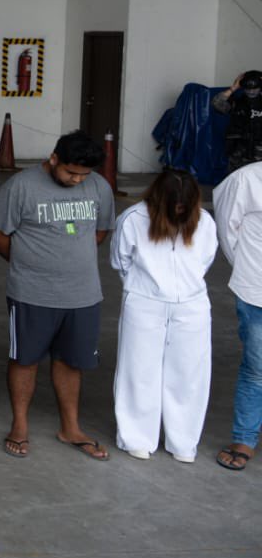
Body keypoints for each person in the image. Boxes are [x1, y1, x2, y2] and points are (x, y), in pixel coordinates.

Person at [0, 131, 116, 461]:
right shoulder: (21, 186)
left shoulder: (98, 186)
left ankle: (70, 426)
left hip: (83, 294)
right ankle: (20, 425)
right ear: (54, 158)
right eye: (71, 172)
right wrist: (26, 263)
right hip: (31, 293)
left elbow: (100, 230)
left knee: (72, 362)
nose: (77, 180)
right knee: (25, 359)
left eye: (83, 175)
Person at [110, 168, 217, 462]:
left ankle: (183, 442)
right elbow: (120, 260)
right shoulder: (133, 219)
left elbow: (205, 260)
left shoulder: (204, 222)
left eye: (185, 205)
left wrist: (182, 286)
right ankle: (136, 436)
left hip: (192, 304)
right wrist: (145, 288)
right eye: (175, 205)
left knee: (190, 373)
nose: (180, 210)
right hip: (144, 300)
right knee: (138, 369)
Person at [211, 160, 262, 470]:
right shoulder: (246, 179)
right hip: (258, 290)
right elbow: (227, 232)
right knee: (257, 369)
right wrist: (249, 272)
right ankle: (245, 437)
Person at [212, 70, 262, 175]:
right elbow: (216, 103)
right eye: (248, 89)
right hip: (239, 152)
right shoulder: (237, 102)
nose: (251, 92)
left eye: (255, 88)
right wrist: (233, 88)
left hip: (259, 153)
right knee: (236, 181)